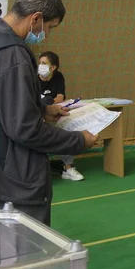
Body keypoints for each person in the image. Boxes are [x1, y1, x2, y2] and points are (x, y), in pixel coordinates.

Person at [0, 0, 98, 225]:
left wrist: (43, 109)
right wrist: (79, 141)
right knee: (24, 255)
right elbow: (24, 128)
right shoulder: (13, 56)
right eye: (49, 27)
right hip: (13, 178)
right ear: (35, 18)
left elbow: (0, 103)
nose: (46, 34)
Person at [38, 51, 84, 181]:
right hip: (38, 115)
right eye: (40, 63)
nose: (40, 65)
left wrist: (48, 103)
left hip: (55, 111)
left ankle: (68, 168)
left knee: (67, 125)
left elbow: (60, 97)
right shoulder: (32, 78)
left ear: (53, 67)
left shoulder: (58, 77)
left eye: (44, 63)